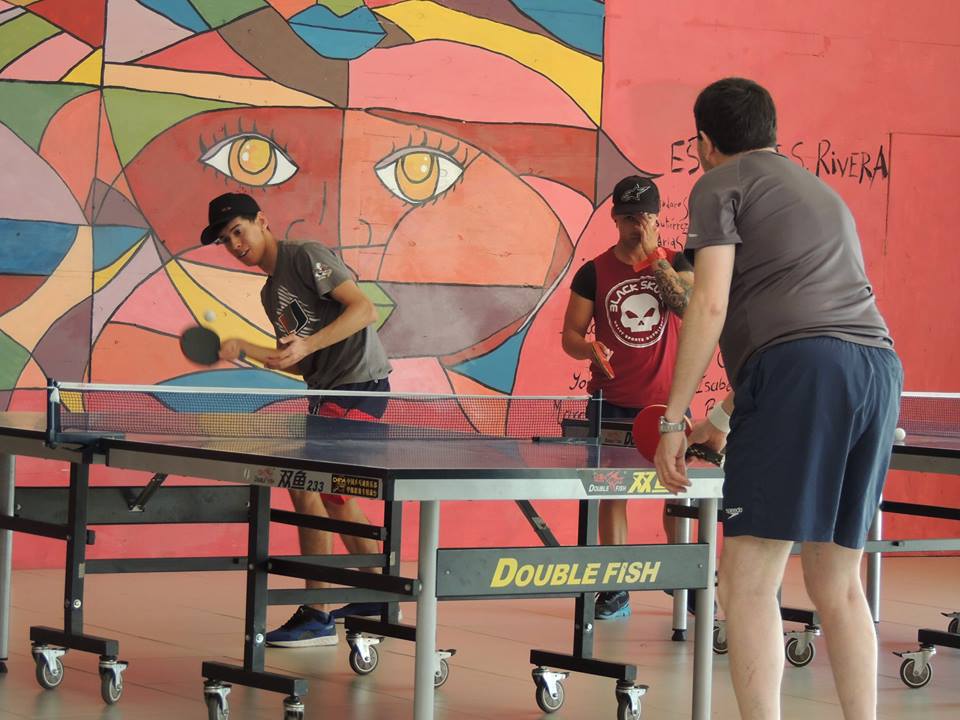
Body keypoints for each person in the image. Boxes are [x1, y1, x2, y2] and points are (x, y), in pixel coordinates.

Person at [654, 78, 902, 720]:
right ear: (771, 131)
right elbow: (806, 325)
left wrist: (673, 420)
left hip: (802, 370)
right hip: (876, 369)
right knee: (836, 582)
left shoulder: (718, 184)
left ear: (703, 142)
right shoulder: (820, 192)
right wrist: (720, 416)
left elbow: (711, 303)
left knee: (746, 580)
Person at [200, 192, 393, 648]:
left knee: (308, 487)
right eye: (226, 240)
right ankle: (378, 594)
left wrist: (308, 345)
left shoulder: (306, 256)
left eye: (238, 231)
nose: (235, 245)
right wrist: (245, 348)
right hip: (325, 392)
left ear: (262, 221)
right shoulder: (271, 294)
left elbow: (364, 309)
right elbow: (295, 360)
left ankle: (318, 613)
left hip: (360, 384)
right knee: (334, 496)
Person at [561, 175, 694, 619]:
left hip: (668, 404)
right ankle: (616, 587)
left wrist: (654, 257)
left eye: (645, 217)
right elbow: (570, 335)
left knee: (677, 492)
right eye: (629, 218)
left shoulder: (678, 261)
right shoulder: (593, 272)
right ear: (615, 219)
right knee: (612, 493)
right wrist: (589, 349)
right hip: (611, 402)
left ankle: (681, 578)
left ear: (657, 218)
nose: (637, 225)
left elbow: (687, 307)